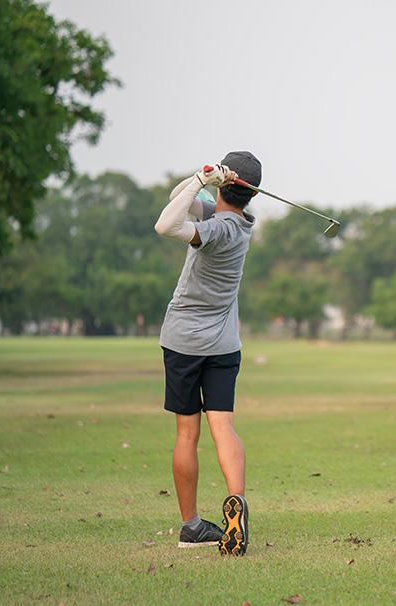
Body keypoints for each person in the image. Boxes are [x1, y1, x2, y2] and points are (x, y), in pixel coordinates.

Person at [153, 151, 261, 556]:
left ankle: (191, 526)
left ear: (226, 185)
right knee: (223, 427)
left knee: (187, 433)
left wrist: (203, 177)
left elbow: (165, 223)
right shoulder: (245, 223)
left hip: (183, 341)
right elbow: (175, 197)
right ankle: (237, 502)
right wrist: (203, 181)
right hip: (223, 345)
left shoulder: (217, 229)